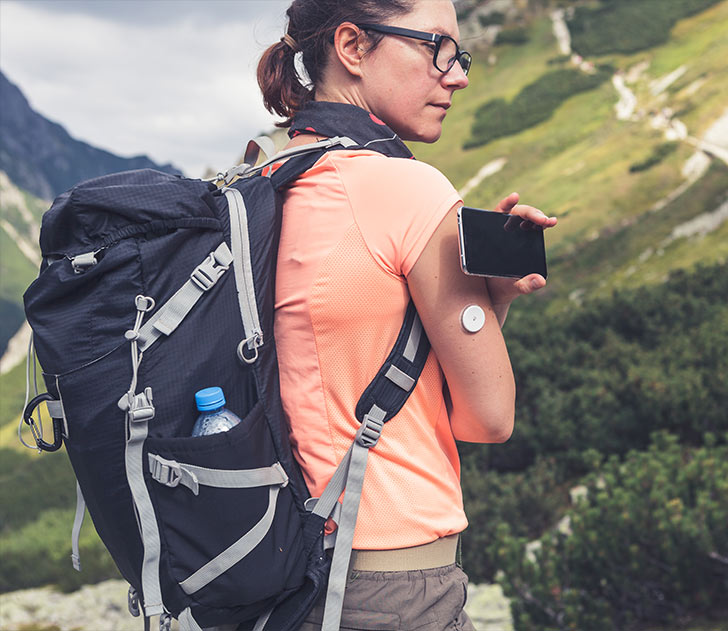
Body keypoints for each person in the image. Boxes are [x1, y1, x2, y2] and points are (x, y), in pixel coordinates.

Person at [256, 1, 557, 629]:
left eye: (460, 54)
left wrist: (486, 298)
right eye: (436, 47)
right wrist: (489, 300)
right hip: (394, 584)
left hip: (276, 567)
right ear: (353, 46)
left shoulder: (267, 180)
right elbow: (489, 417)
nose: (458, 75)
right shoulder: (406, 189)